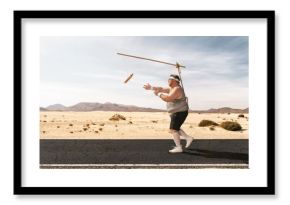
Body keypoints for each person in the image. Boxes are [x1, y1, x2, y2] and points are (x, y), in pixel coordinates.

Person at [143, 74, 194, 153]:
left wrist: (158, 94)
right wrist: (151, 88)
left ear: (174, 81)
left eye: (169, 79)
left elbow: (168, 98)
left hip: (180, 112)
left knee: (173, 129)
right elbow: (161, 88)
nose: (168, 81)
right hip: (176, 112)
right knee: (176, 128)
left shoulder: (177, 89)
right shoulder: (172, 88)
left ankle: (178, 147)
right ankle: (188, 138)